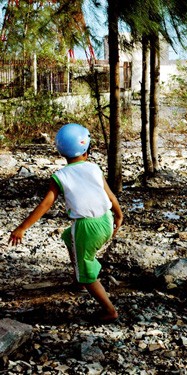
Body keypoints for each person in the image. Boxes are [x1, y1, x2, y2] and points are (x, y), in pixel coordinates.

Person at [8, 123, 123, 324]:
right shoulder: (94, 168)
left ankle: (108, 309)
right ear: (87, 147)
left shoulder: (60, 176)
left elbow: (45, 204)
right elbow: (110, 195)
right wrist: (119, 215)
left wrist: (22, 228)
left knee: (87, 272)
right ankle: (80, 277)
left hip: (87, 228)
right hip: (106, 220)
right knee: (67, 236)